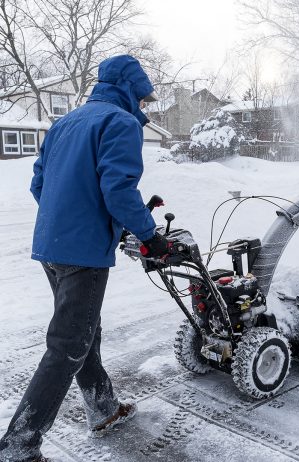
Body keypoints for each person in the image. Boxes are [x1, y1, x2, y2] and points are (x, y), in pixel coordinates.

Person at [0, 55, 169, 462]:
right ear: (130, 89)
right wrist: (149, 234)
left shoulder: (65, 122)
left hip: (51, 245)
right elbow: (118, 190)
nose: (143, 108)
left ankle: (104, 408)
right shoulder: (120, 123)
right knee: (68, 345)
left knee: (82, 332)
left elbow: (39, 182)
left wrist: (69, 215)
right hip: (83, 252)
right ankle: (18, 447)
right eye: (143, 99)